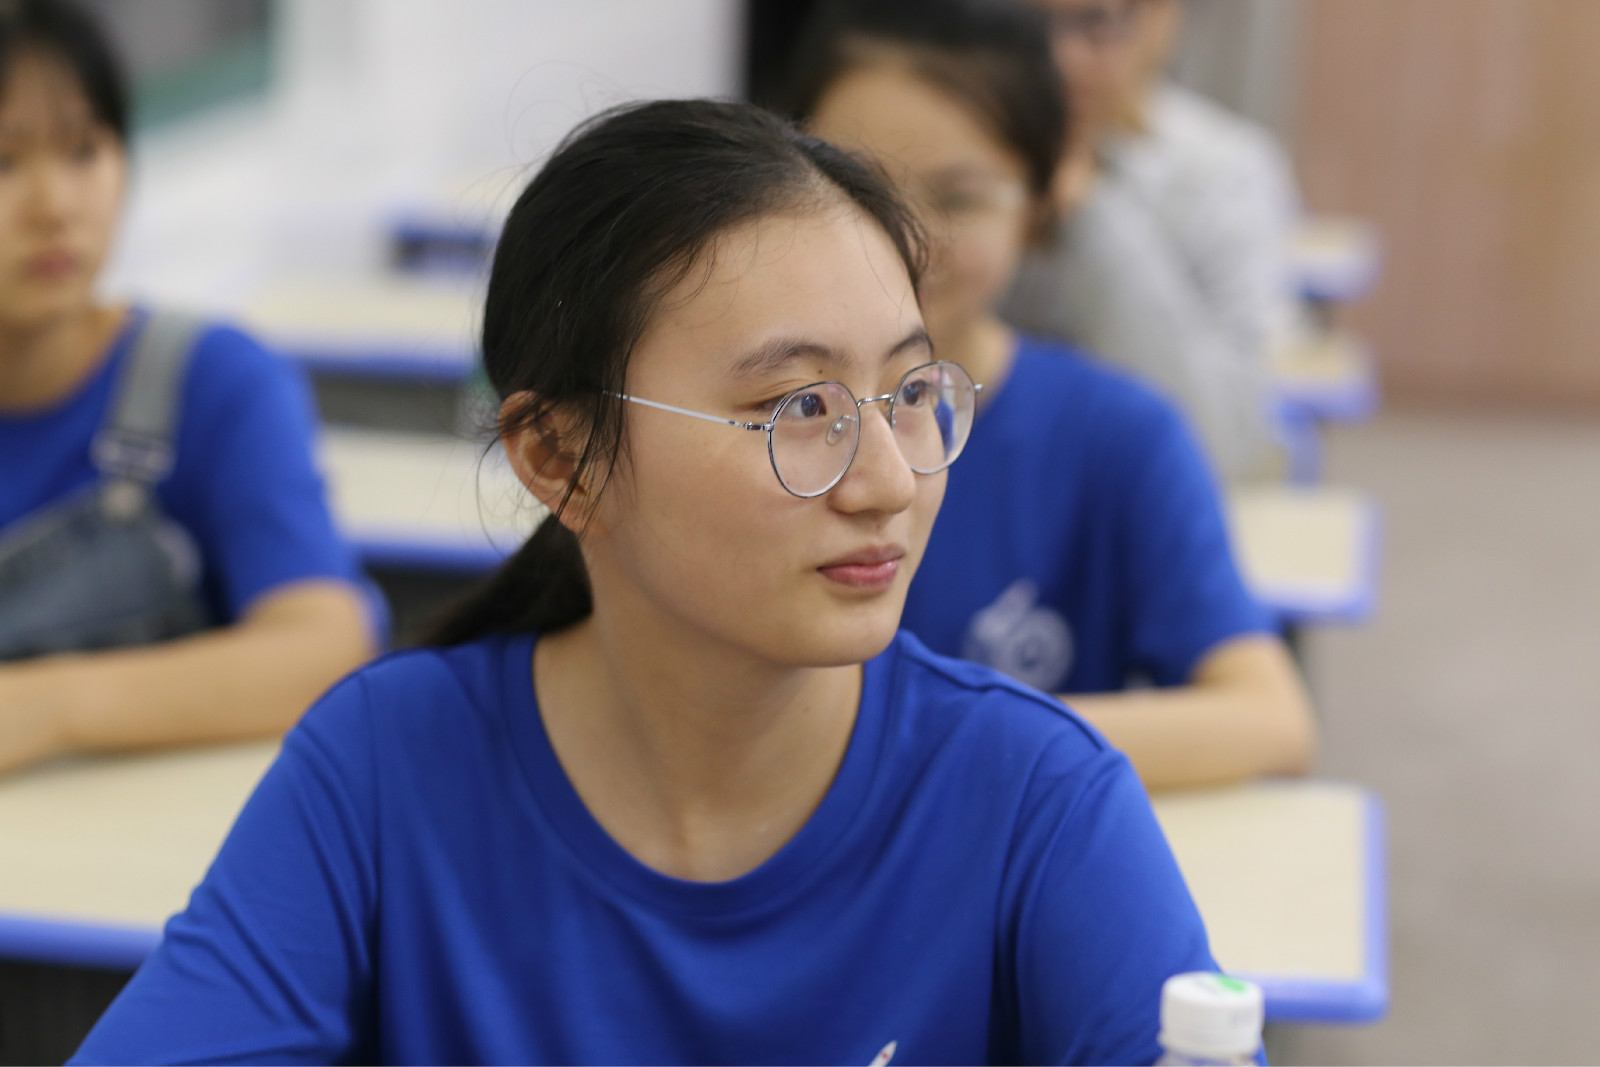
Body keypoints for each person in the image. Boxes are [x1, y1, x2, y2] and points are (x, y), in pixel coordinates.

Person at [74, 98, 1219, 1066]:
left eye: (911, 393)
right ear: (558, 457)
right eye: (798, 407)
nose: (887, 480)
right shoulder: (384, 770)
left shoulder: (1034, 799)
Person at [789, 0, 1314, 790]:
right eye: (857, 187)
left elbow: (1270, 719)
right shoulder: (734, 425)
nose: (905, 236)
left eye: (960, 198)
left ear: (1040, 206)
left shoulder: (1118, 434)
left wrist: (941, 744)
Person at [0, 0, 375, 775]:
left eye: (84, 150)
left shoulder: (213, 381)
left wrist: (46, 704)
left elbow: (327, 642)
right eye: (3, 163)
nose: (54, 206)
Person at [998, 0, 1300, 481]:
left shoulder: (1224, 172)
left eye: (1095, 22)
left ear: (1161, 20)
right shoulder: (959, 162)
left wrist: (1090, 208)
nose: (1061, 57)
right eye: (1028, 23)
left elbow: (1218, 442)